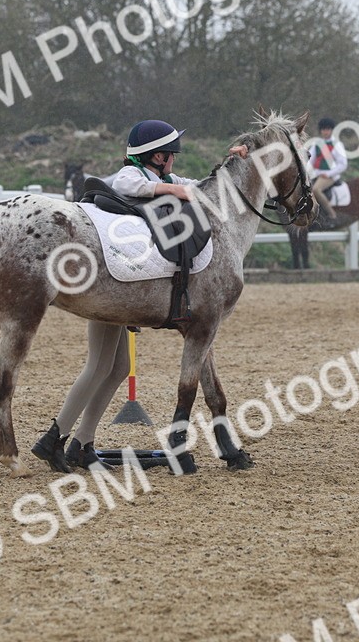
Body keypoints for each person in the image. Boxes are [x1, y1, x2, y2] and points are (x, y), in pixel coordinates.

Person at [33, 120, 249, 471]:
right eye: (171, 156)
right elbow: (134, 185)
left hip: (121, 288)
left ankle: (81, 442)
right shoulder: (130, 176)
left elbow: (202, 187)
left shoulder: (162, 178)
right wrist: (173, 191)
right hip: (117, 283)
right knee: (99, 366)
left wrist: (233, 162)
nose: (175, 163)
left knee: (117, 367)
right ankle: (53, 437)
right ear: (158, 156)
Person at [309, 117, 348, 221]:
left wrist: (329, 174)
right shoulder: (316, 144)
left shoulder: (337, 145)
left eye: (327, 129)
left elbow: (343, 164)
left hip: (330, 176)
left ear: (331, 130)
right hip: (317, 174)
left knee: (316, 190)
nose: (325, 132)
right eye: (323, 129)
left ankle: (332, 215)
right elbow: (310, 161)